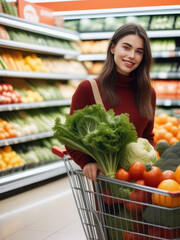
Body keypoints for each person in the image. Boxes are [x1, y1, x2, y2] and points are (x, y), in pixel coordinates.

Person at [66, 23, 156, 181]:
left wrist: (148, 168)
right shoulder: (89, 89)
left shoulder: (148, 94)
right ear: (113, 48)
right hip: (107, 185)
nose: (131, 56)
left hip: (139, 183)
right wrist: (87, 162)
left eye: (139, 52)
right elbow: (71, 138)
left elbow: (147, 137)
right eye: (126, 48)